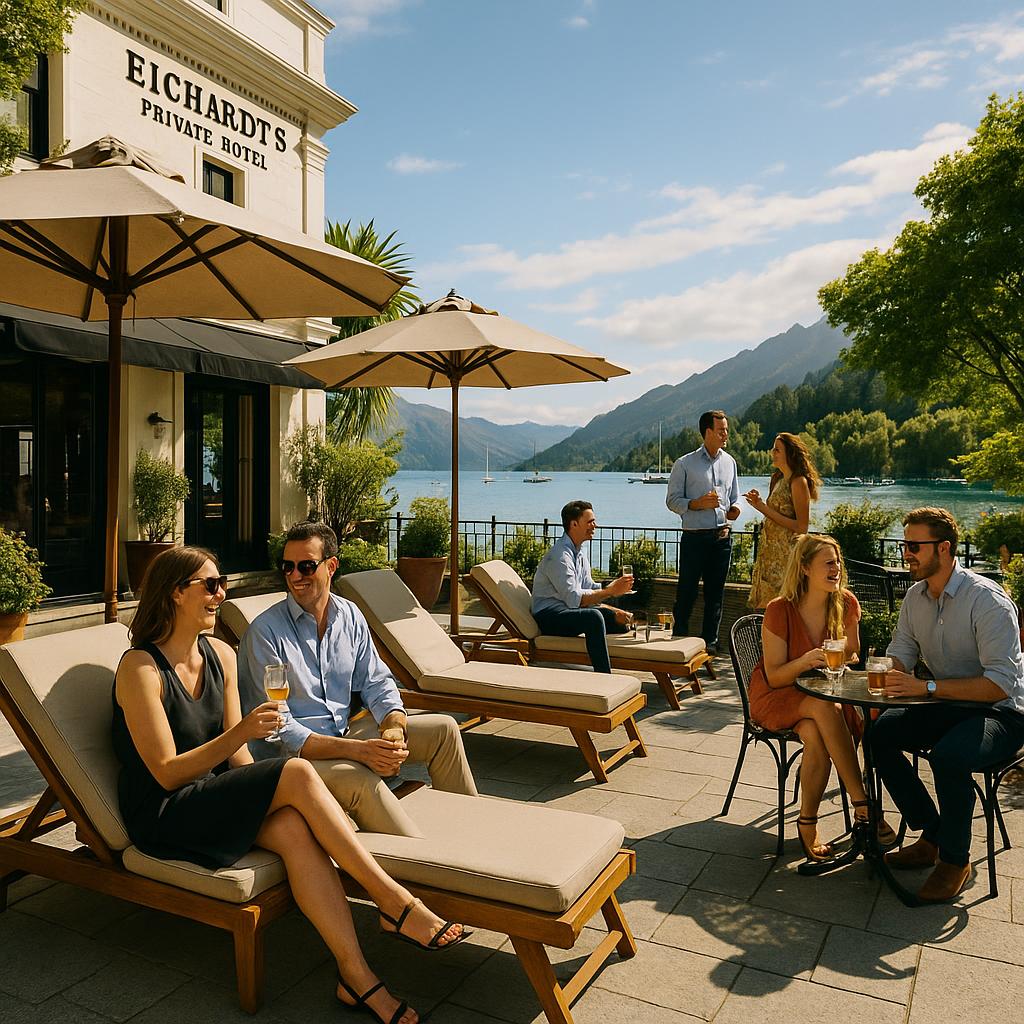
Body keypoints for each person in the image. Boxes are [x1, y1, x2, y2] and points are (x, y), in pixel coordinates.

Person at [112, 546, 469, 1024]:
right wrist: (247, 739)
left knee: (295, 829)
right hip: (164, 810)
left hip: (210, 797)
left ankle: (355, 977)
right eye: (212, 585)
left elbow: (239, 762)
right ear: (177, 594)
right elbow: (166, 772)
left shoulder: (221, 654)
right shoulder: (139, 669)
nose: (222, 594)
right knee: (297, 773)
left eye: (223, 585)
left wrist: (284, 801)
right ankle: (395, 900)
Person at [239, 522, 478, 839]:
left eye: (307, 566)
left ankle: (469, 836)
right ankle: (416, 860)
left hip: (343, 730)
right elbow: (279, 728)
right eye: (288, 567)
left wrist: (393, 725)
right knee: (357, 776)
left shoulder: (349, 616)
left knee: (443, 731)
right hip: (292, 760)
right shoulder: (265, 633)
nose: (296, 576)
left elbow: (377, 681)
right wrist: (359, 751)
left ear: (331, 566)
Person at [872, 507, 1024, 902]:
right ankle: (933, 833)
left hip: (1002, 712)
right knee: (879, 734)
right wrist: (876, 670)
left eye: (913, 546)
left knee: (949, 757)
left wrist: (924, 688)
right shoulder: (915, 597)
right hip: (945, 702)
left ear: (944, 548)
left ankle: (955, 860)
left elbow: (999, 685)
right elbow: (901, 652)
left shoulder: (987, 600)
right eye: (905, 545)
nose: (906, 553)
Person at [748, 534, 896, 860]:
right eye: (828, 563)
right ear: (804, 568)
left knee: (816, 732)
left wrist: (841, 656)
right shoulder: (779, 610)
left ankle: (807, 821)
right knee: (823, 707)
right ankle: (864, 805)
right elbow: (774, 675)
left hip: (823, 692)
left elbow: (854, 652)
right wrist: (806, 660)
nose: (837, 568)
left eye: (838, 562)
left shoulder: (846, 603)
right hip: (778, 693)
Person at [666, 410, 741, 655]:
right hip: (694, 538)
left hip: (722, 538)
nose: (725, 434)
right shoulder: (684, 463)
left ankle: (709, 645)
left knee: (715, 596)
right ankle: (678, 643)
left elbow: (734, 497)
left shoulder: (730, 462)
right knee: (686, 592)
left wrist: (735, 510)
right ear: (707, 432)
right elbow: (672, 501)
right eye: (721, 430)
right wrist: (696, 504)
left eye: (726, 430)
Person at [531, 500, 634, 675]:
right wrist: (610, 592)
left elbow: (588, 587)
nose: (595, 525)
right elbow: (574, 600)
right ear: (574, 524)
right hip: (549, 617)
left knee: (617, 619)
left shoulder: (579, 551)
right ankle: (604, 676)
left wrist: (612, 597)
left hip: (568, 611)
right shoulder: (559, 556)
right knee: (593, 617)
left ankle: (635, 660)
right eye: (590, 521)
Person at [745, 432, 820, 609]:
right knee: (764, 610)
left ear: (789, 454)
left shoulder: (798, 482)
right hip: (769, 554)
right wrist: (759, 503)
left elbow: (802, 527)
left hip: (786, 556)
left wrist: (763, 508)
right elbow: (772, 514)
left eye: (777, 449)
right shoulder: (777, 478)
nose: (772, 452)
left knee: (783, 609)